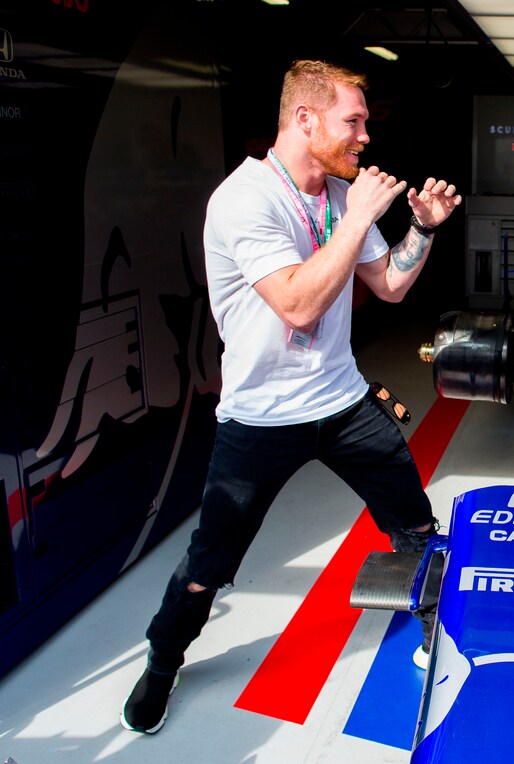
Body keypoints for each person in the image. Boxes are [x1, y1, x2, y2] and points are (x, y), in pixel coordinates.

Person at [120, 59, 462, 734]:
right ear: (305, 120)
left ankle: (433, 625)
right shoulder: (245, 200)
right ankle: (163, 661)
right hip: (260, 418)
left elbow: (390, 286)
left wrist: (421, 228)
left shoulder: (341, 196)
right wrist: (357, 217)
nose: (365, 136)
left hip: (342, 401)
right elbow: (299, 306)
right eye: (353, 122)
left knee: (416, 526)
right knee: (208, 565)